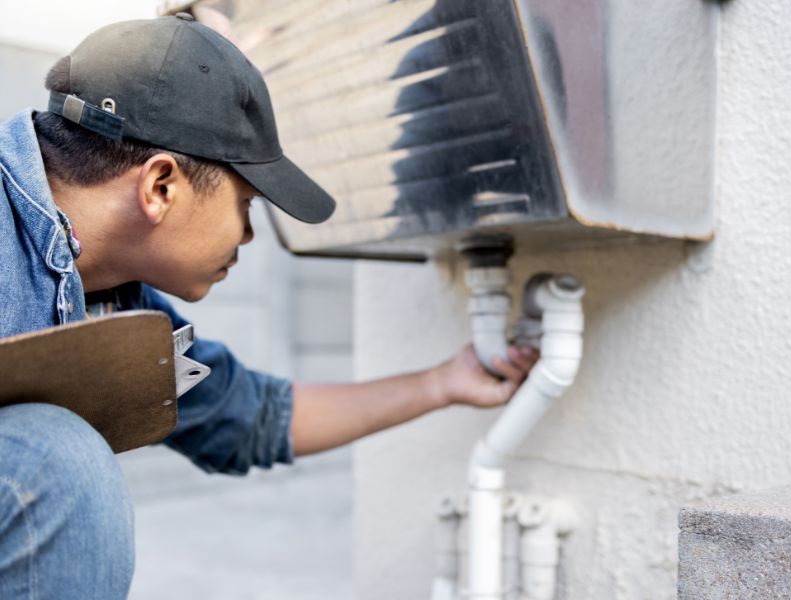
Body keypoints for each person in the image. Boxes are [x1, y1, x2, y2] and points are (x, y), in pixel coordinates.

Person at [0, 13, 538, 599]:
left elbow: (250, 416)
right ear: (160, 187)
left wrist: (443, 382)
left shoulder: (112, 303)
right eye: (248, 203)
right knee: (60, 464)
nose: (249, 236)